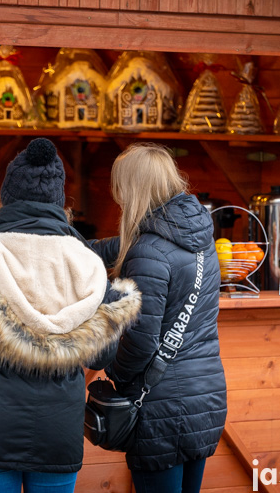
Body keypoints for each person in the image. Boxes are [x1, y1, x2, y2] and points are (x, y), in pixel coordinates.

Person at [0, 137, 143, 493]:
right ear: (60, 202)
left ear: (7, 197)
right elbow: (103, 353)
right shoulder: (87, 264)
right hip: (57, 425)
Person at [92, 142, 227, 493]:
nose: (117, 197)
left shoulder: (148, 251)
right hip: (205, 396)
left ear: (133, 189)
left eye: (120, 187)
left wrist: (114, 374)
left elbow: (140, 342)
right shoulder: (200, 239)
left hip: (162, 409)